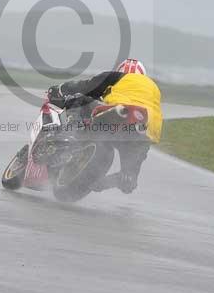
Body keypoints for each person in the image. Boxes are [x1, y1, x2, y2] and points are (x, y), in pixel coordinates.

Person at [46, 58, 163, 194]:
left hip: (120, 112)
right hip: (146, 128)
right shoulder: (154, 88)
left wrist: (59, 90)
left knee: (79, 99)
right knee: (128, 178)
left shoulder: (119, 77)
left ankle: (69, 135)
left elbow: (86, 86)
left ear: (121, 71)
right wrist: (96, 183)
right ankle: (112, 180)